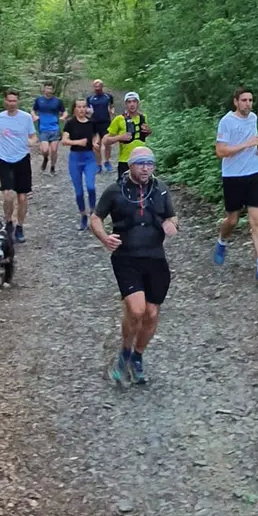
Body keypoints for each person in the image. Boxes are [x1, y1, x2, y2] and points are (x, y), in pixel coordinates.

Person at [89, 145, 178, 387]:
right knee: (137, 309)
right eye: (141, 164)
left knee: (151, 313)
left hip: (155, 259)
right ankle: (123, 354)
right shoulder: (115, 191)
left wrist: (171, 224)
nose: (146, 168)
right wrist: (104, 237)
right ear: (130, 166)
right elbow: (95, 218)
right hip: (126, 258)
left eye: (150, 164)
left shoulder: (160, 190)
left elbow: (171, 216)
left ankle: (137, 357)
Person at [213, 85, 258, 289]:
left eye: (250, 100)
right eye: (244, 100)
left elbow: (255, 144)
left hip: (255, 173)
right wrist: (245, 144)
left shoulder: (253, 118)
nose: (248, 104)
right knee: (233, 219)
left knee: (257, 221)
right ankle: (221, 241)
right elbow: (220, 151)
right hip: (233, 177)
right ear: (236, 102)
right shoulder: (227, 121)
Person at [0, 89, 37, 243]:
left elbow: (33, 136)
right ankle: (8, 223)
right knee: (8, 195)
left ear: (18, 102)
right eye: (9, 100)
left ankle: (20, 226)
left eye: (14, 101)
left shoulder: (26, 117)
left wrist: (32, 142)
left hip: (22, 158)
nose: (11, 103)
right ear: (5, 101)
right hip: (4, 158)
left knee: (22, 197)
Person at [60, 96, 99, 231]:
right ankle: (83, 214)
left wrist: (95, 142)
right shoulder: (70, 123)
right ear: (74, 109)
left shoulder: (91, 122)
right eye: (79, 107)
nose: (82, 109)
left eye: (84, 107)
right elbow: (64, 141)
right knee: (78, 192)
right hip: (75, 158)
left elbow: (95, 135)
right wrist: (78, 142)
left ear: (87, 108)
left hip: (89, 158)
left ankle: (93, 214)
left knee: (91, 187)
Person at [107, 92, 151, 177]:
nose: (132, 104)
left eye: (134, 101)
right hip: (125, 161)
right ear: (125, 104)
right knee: (124, 188)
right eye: (129, 102)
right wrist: (120, 137)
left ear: (138, 103)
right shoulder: (119, 119)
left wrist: (149, 131)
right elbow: (107, 141)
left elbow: (145, 135)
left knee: (142, 188)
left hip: (142, 160)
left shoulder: (143, 117)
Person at [32, 81, 65, 174]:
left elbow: (64, 112)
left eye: (50, 88)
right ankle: (45, 159)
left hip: (54, 128)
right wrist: (34, 116)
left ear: (53, 90)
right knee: (45, 150)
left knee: (54, 150)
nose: (49, 90)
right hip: (43, 128)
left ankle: (53, 167)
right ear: (44, 89)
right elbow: (33, 110)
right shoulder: (39, 100)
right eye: (47, 88)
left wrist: (63, 117)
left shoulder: (58, 101)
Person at [87, 79, 116, 172]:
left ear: (102, 87)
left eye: (99, 86)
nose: (97, 88)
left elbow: (112, 106)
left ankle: (107, 161)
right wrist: (88, 112)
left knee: (107, 143)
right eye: (95, 86)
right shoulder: (90, 98)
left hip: (106, 122)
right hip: (94, 123)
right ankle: (98, 164)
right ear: (93, 87)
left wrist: (112, 111)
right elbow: (87, 109)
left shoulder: (108, 97)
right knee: (96, 145)